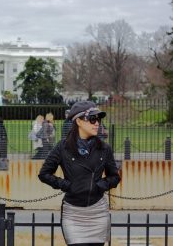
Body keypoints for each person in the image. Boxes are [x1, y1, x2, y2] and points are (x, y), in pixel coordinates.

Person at [38, 100, 120, 246]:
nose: (97, 123)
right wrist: (66, 185)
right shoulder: (63, 147)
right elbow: (44, 174)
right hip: (73, 214)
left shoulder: (104, 148)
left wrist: (100, 185)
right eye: (92, 119)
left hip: (98, 212)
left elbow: (115, 177)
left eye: (98, 119)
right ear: (79, 121)